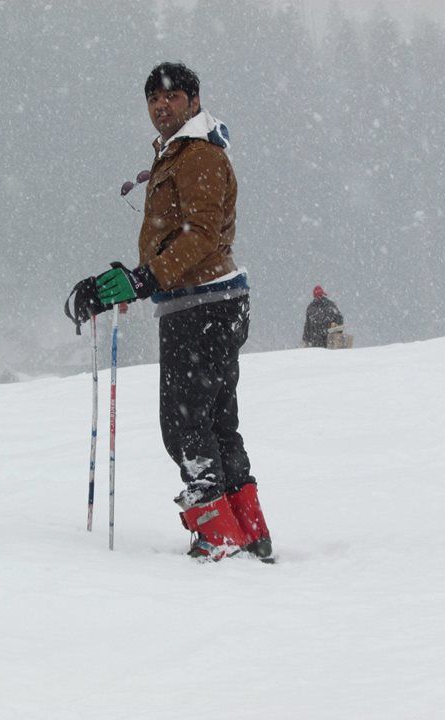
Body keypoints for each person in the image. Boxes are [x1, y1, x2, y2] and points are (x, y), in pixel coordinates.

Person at [67, 63, 271, 563]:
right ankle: (248, 530)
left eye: (173, 97)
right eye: (155, 100)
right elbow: (183, 236)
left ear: (193, 102)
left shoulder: (198, 154)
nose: (162, 106)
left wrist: (144, 279)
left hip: (200, 306)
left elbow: (200, 235)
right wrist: (139, 277)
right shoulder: (179, 153)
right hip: (210, 303)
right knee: (216, 422)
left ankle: (218, 535)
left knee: (185, 426)